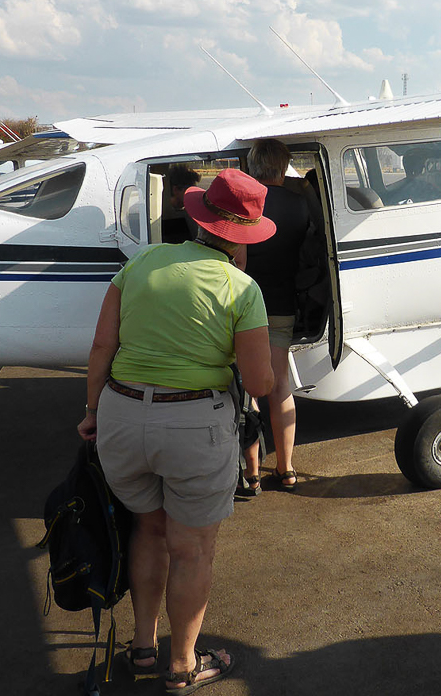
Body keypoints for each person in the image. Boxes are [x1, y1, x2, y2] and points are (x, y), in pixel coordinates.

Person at [77, 168, 275, 689]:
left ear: (197, 218)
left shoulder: (140, 263)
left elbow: (102, 347)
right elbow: (260, 379)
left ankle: (143, 648)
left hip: (121, 414)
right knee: (192, 548)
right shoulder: (242, 287)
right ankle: (183, 665)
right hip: (193, 424)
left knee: (148, 528)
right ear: (243, 236)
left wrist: (93, 410)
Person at [242, 139, 312, 492]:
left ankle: (251, 472)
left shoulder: (245, 204)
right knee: (280, 383)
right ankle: (286, 469)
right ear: (283, 166)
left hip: (244, 306)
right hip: (283, 302)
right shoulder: (300, 206)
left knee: (247, 387)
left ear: (254, 166)